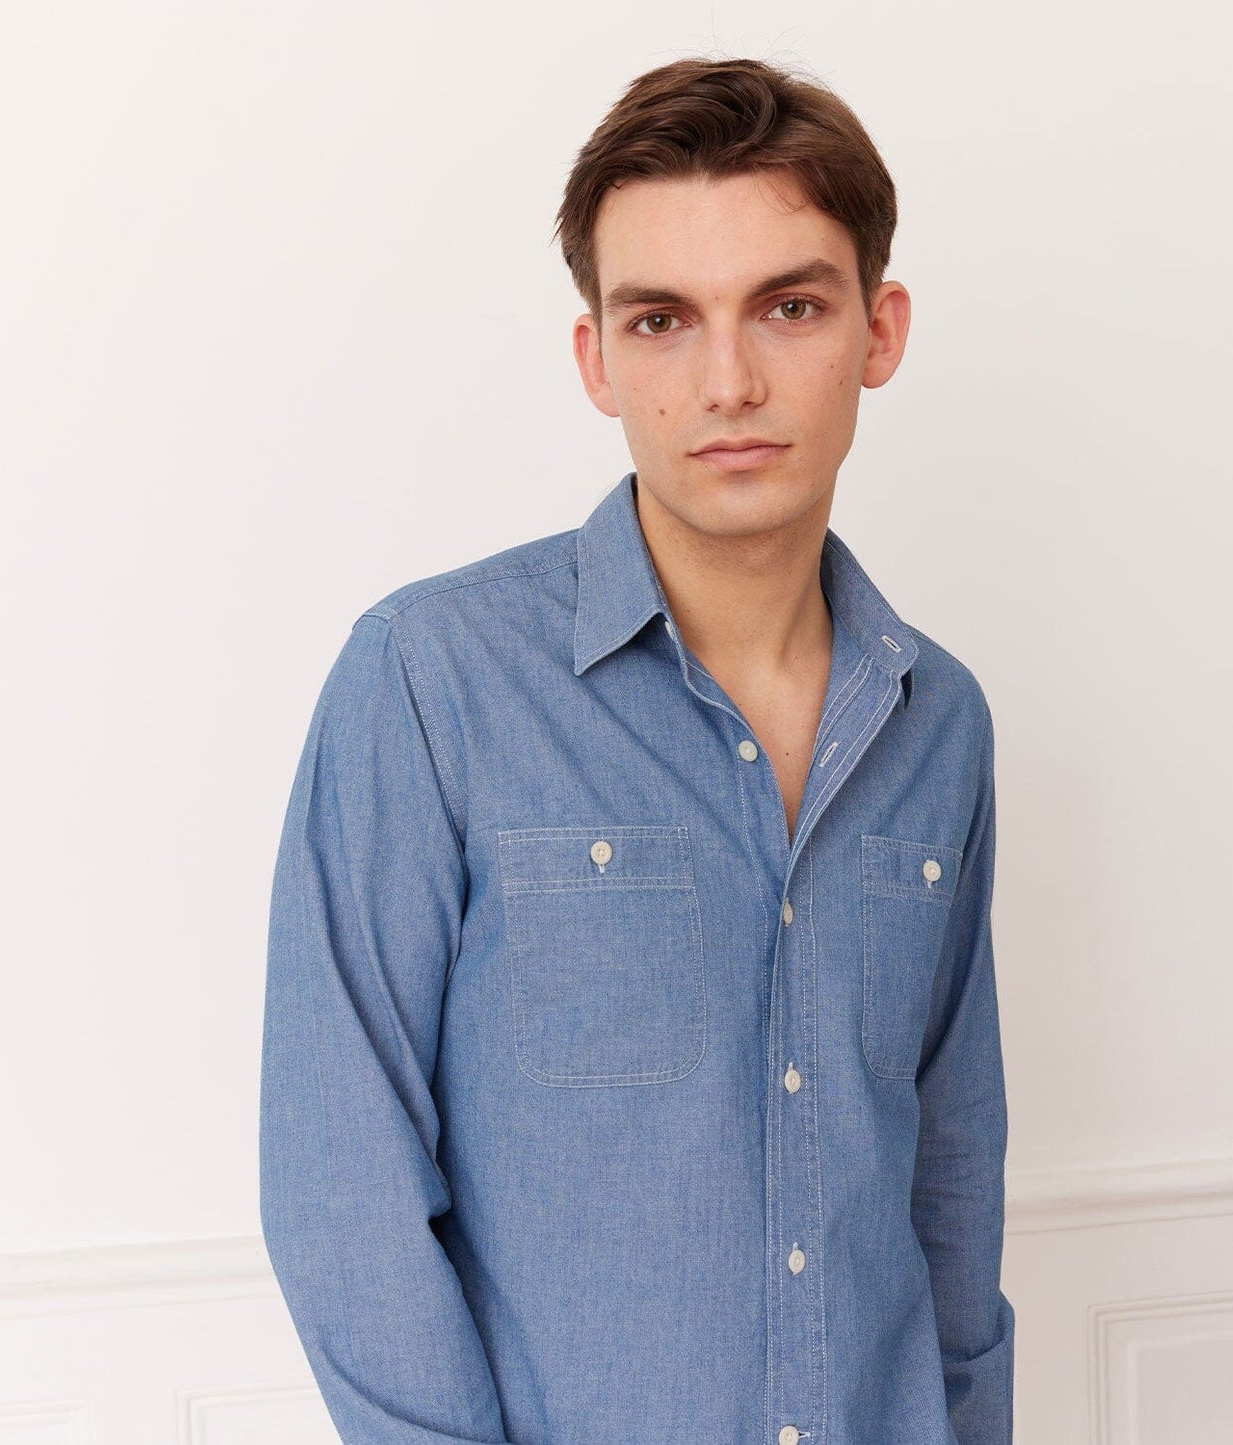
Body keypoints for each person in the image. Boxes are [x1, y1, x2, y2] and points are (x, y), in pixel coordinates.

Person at [260, 56, 1013, 1445]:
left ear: (879, 329)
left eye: (789, 306)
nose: (729, 381)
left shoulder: (939, 722)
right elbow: (340, 1189)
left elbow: (951, 1186)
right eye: (663, 320)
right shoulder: (430, 681)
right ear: (597, 359)